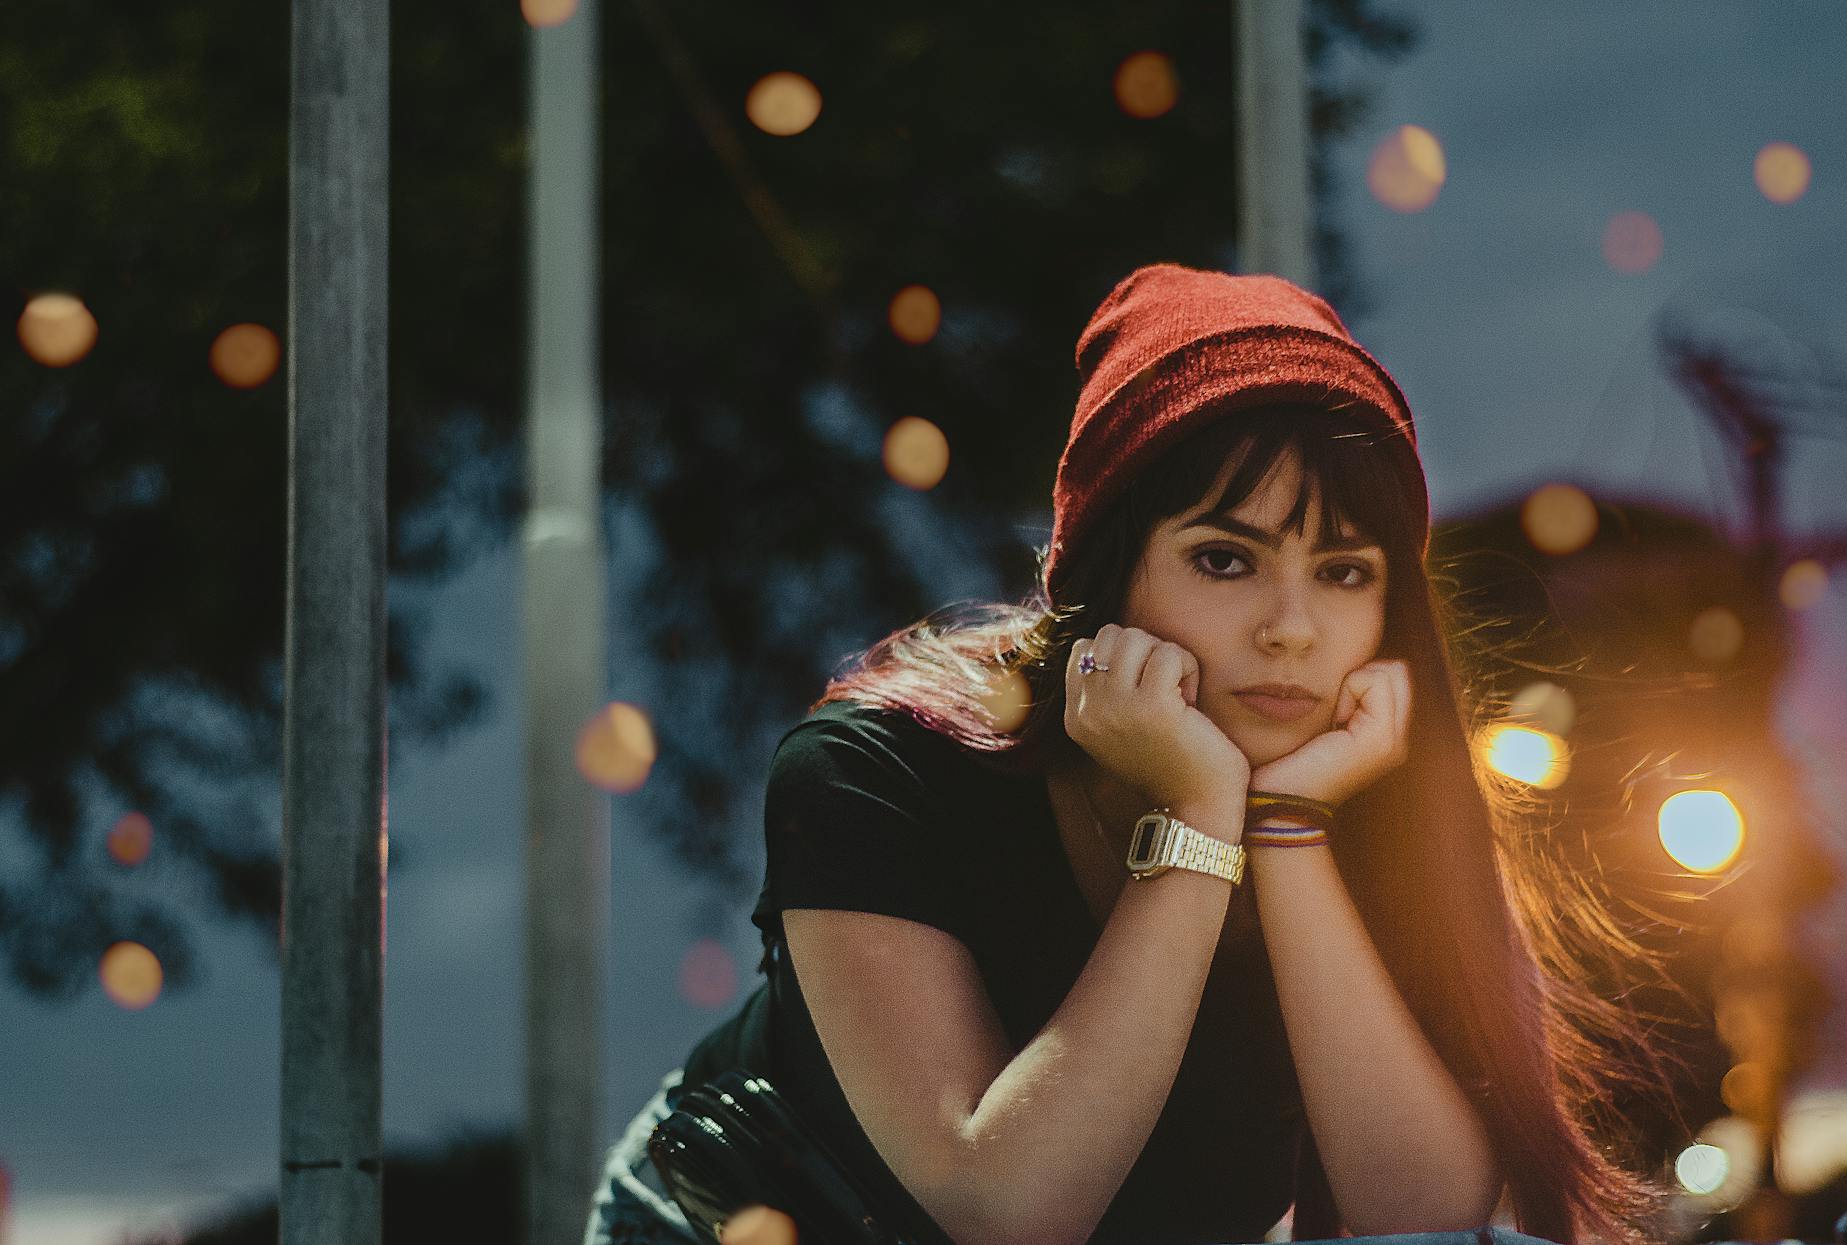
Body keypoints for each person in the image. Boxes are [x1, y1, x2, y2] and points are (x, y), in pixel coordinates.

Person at [586, 264, 1665, 1245]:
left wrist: (1286, 830)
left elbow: (1419, 1221)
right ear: (1099, 580)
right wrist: (1196, 817)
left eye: (1343, 572)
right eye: (1222, 559)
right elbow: (1005, 1209)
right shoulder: (875, 769)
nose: (1291, 628)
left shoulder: (1362, 799)